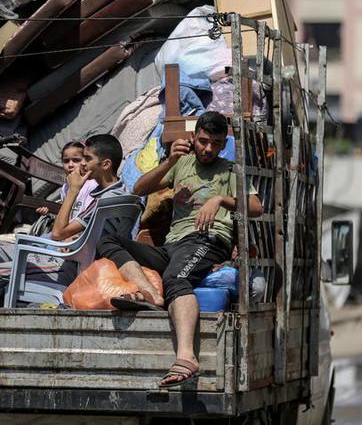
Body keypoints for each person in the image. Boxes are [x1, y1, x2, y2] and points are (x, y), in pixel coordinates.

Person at [97, 111, 263, 388]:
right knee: (110, 241)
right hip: (172, 246)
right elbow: (139, 187)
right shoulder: (181, 163)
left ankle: (187, 358)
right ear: (194, 138)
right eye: (203, 141)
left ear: (224, 144)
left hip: (207, 242)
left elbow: (257, 207)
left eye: (216, 143)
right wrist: (171, 161)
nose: (208, 148)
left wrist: (221, 200)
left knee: (177, 279)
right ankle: (149, 293)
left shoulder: (231, 171)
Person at [0, 134, 127, 307]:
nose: (81, 164)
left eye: (87, 159)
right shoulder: (110, 192)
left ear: (106, 164)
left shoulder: (106, 199)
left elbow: (58, 233)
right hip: (58, 255)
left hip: (68, 264)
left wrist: (73, 190)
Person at [35, 141, 98, 232]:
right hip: (64, 232)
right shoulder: (65, 187)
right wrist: (50, 213)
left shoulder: (93, 185)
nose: (70, 165)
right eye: (66, 161)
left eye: (76, 160)